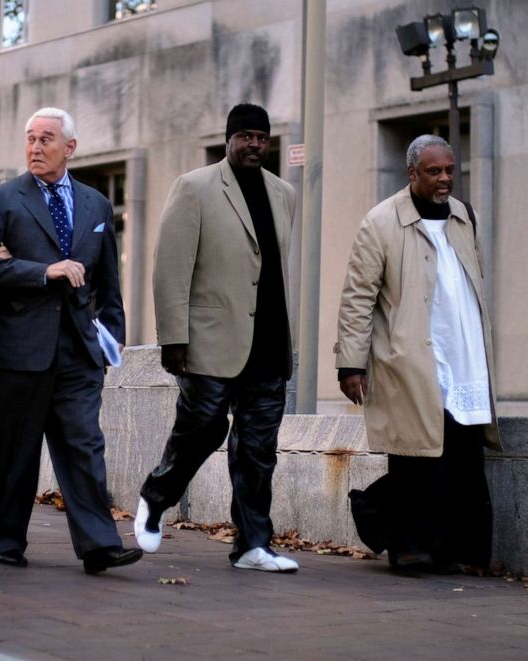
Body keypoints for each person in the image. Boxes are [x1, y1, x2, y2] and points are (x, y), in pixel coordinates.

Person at [0, 107, 143, 575]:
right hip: (19, 348)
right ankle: (5, 540)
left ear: (69, 147)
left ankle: (100, 545)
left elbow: (109, 279)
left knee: (84, 445)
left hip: (80, 351)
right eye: (30, 138)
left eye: (46, 139)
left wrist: (114, 334)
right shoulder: (0, 201)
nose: (35, 147)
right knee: (14, 449)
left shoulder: (96, 205)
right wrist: (42, 271)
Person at [134, 103, 299, 573]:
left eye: (261, 138)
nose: (253, 145)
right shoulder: (195, 187)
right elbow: (171, 266)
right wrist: (173, 337)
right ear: (229, 140)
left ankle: (252, 545)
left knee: (258, 450)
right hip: (210, 339)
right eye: (245, 136)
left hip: (268, 342)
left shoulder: (284, 193)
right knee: (202, 428)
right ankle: (156, 494)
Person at [335, 134, 501, 571]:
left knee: (464, 457)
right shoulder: (381, 222)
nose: (445, 178)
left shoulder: (466, 217)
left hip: (463, 353)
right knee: (415, 457)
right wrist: (350, 363)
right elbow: (358, 298)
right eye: (434, 171)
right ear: (412, 173)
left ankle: (465, 552)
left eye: (449, 169)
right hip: (409, 356)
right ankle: (408, 546)